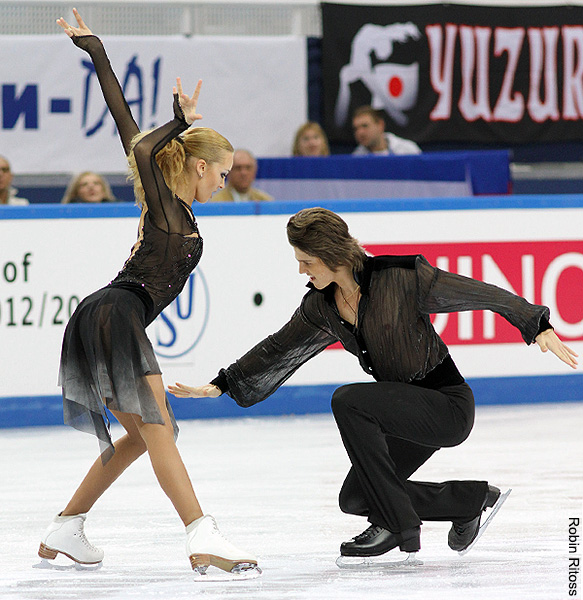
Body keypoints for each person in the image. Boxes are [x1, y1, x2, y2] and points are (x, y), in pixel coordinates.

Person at [169, 207, 577, 563]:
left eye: (306, 261)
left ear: (331, 257)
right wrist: (223, 383)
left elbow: (482, 293)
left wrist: (535, 324)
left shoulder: (400, 276)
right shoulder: (322, 305)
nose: (301, 270)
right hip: (403, 416)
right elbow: (279, 347)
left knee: (349, 400)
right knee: (357, 497)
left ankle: (399, 527)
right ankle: (467, 501)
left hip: (445, 405)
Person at [38, 9, 259, 576]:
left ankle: (67, 527)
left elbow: (128, 131)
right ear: (201, 164)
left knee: (139, 436)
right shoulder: (164, 206)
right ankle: (201, 533)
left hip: (105, 314)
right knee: (158, 426)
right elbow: (137, 144)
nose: (225, 180)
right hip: (115, 311)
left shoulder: (172, 208)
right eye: (223, 171)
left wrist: (97, 52)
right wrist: (173, 116)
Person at [352, 106, 421, 156]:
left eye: (365, 126)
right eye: (356, 129)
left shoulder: (408, 150)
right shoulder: (356, 157)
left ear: (381, 125)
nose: (360, 132)